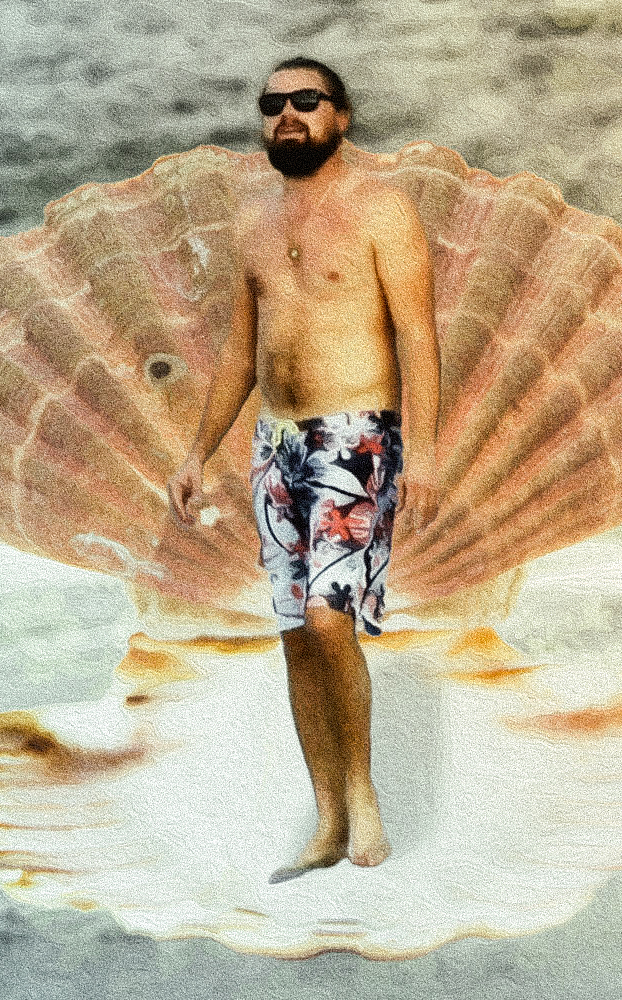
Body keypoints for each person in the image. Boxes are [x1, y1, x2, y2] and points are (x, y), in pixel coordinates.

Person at [167, 56, 440, 883]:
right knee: (293, 634)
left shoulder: (381, 209)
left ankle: (362, 792)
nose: (287, 115)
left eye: (306, 102)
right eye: (272, 105)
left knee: (330, 620)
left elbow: (417, 335)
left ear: (342, 116)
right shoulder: (254, 221)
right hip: (276, 441)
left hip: (356, 434)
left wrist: (422, 454)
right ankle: (325, 818)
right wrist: (196, 450)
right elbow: (238, 353)